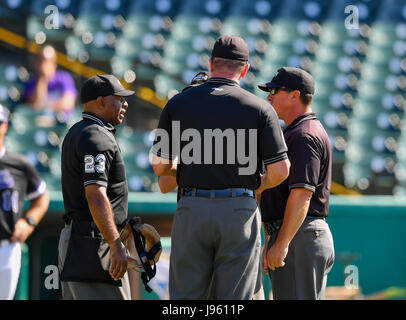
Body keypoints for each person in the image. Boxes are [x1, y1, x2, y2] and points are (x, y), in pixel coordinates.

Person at [151, 35, 290, 300]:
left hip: (192, 207)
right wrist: (255, 182)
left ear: (212, 63)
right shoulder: (260, 107)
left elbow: (160, 167)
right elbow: (281, 171)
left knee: (186, 301)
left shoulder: (178, 103)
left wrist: (194, 168)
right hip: (239, 209)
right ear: (245, 68)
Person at [257, 67, 335, 300]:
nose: (269, 96)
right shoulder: (297, 131)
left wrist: (282, 242)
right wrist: (272, 237)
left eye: (275, 90)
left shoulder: (304, 135)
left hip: (300, 235)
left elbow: (302, 194)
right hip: (296, 235)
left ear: (295, 95)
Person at [58, 74, 135, 300]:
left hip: (81, 239)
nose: (125, 103)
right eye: (119, 98)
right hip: (93, 243)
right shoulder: (96, 137)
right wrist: (115, 242)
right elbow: (96, 195)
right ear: (100, 102)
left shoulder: (78, 131)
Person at [0, 104, 50, 300]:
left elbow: (41, 196)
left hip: (6, 246)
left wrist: (29, 221)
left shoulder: (19, 163)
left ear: (4, 126)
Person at [24, 45, 77, 119]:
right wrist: (42, 78)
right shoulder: (31, 82)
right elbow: (35, 105)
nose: (43, 64)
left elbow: (67, 104)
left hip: (61, 123)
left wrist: (44, 107)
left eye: (47, 60)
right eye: (40, 60)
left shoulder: (65, 78)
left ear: (54, 63)